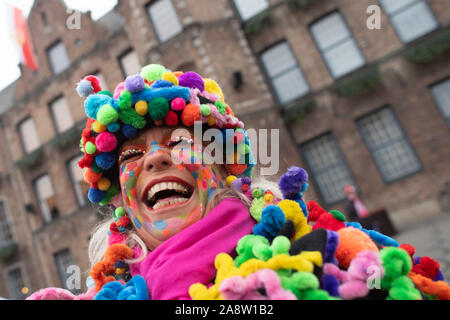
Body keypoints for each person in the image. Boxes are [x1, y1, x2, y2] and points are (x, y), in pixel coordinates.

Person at [26, 65, 449, 301]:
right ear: (124, 202)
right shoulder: (108, 294)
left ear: (224, 167)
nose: (154, 157)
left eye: (179, 142)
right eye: (131, 155)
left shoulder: (327, 256)